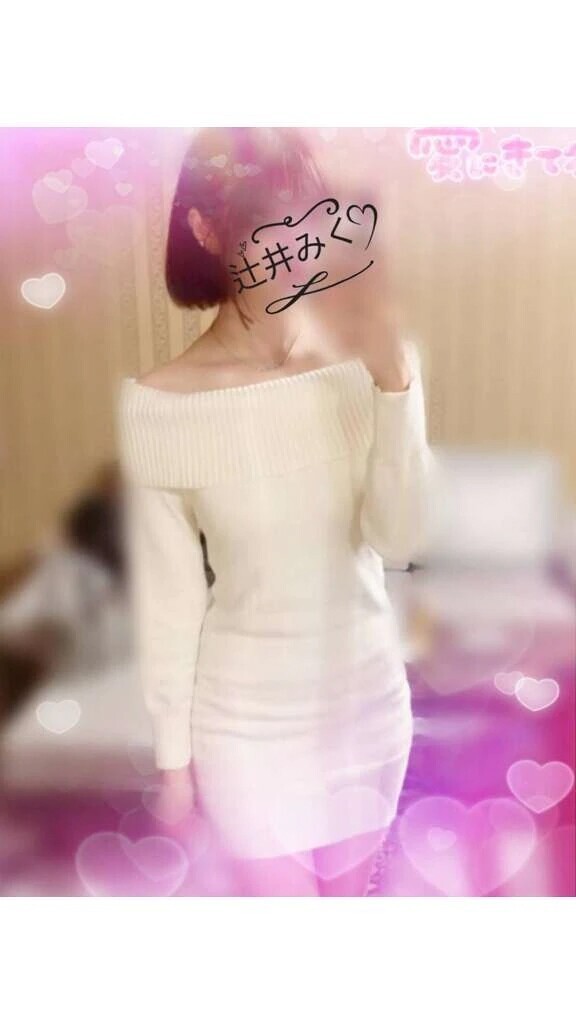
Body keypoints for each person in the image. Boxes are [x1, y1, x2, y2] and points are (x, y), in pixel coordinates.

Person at [116, 127, 437, 896]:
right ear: (205, 230)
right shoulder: (159, 404)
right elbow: (171, 602)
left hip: (366, 706)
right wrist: (173, 764)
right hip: (248, 728)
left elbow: (401, 539)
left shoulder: (372, 360)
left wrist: (395, 384)